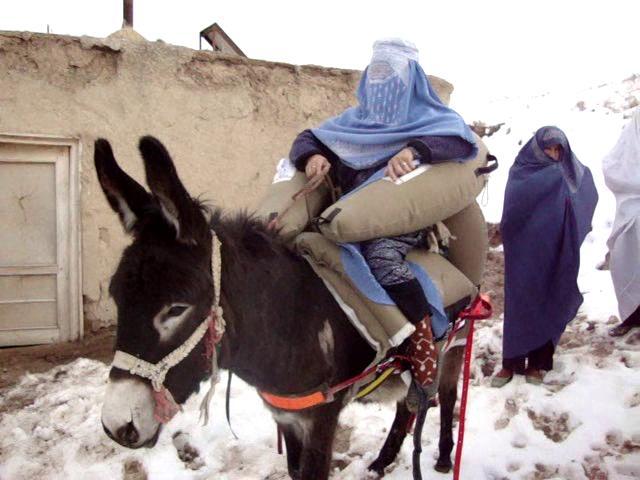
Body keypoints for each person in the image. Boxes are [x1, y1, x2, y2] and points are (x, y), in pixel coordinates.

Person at [288, 39, 477, 389]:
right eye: (374, 74)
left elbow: (457, 141)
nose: (380, 83)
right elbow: (307, 138)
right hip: (343, 219)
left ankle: (421, 345)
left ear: (411, 81)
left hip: (402, 219)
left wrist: (414, 149)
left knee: (381, 254)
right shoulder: (352, 122)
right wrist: (311, 156)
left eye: (389, 75)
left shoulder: (431, 119)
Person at [492, 127, 598, 387]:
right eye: (547, 149)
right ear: (536, 148)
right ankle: (511, 362)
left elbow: (587, 194)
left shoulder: (567, 173)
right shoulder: (520, 171)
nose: (552, 154)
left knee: (548, 298)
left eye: (557, 150)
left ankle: (538, 363)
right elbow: (512, 209)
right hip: (522, 250)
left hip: (556, 248)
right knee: (519, 303)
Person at [603, 109, 640, 337]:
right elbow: (612, 167)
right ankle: (632, 317)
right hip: (632, 211)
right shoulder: (631, 138)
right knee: (625, 264)